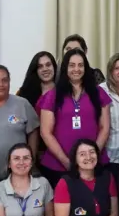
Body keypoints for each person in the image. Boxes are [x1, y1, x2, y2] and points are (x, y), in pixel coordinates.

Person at [38, 48, 112, 180]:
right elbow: (45, 132)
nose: (76, 69)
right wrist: (67, 162)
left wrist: (91, 157)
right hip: (58, 165)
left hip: (94, 164)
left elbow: (105, 128)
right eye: (72, 65)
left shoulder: (98, 93)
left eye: (80, 65)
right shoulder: (52, 96)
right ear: (65, 68)